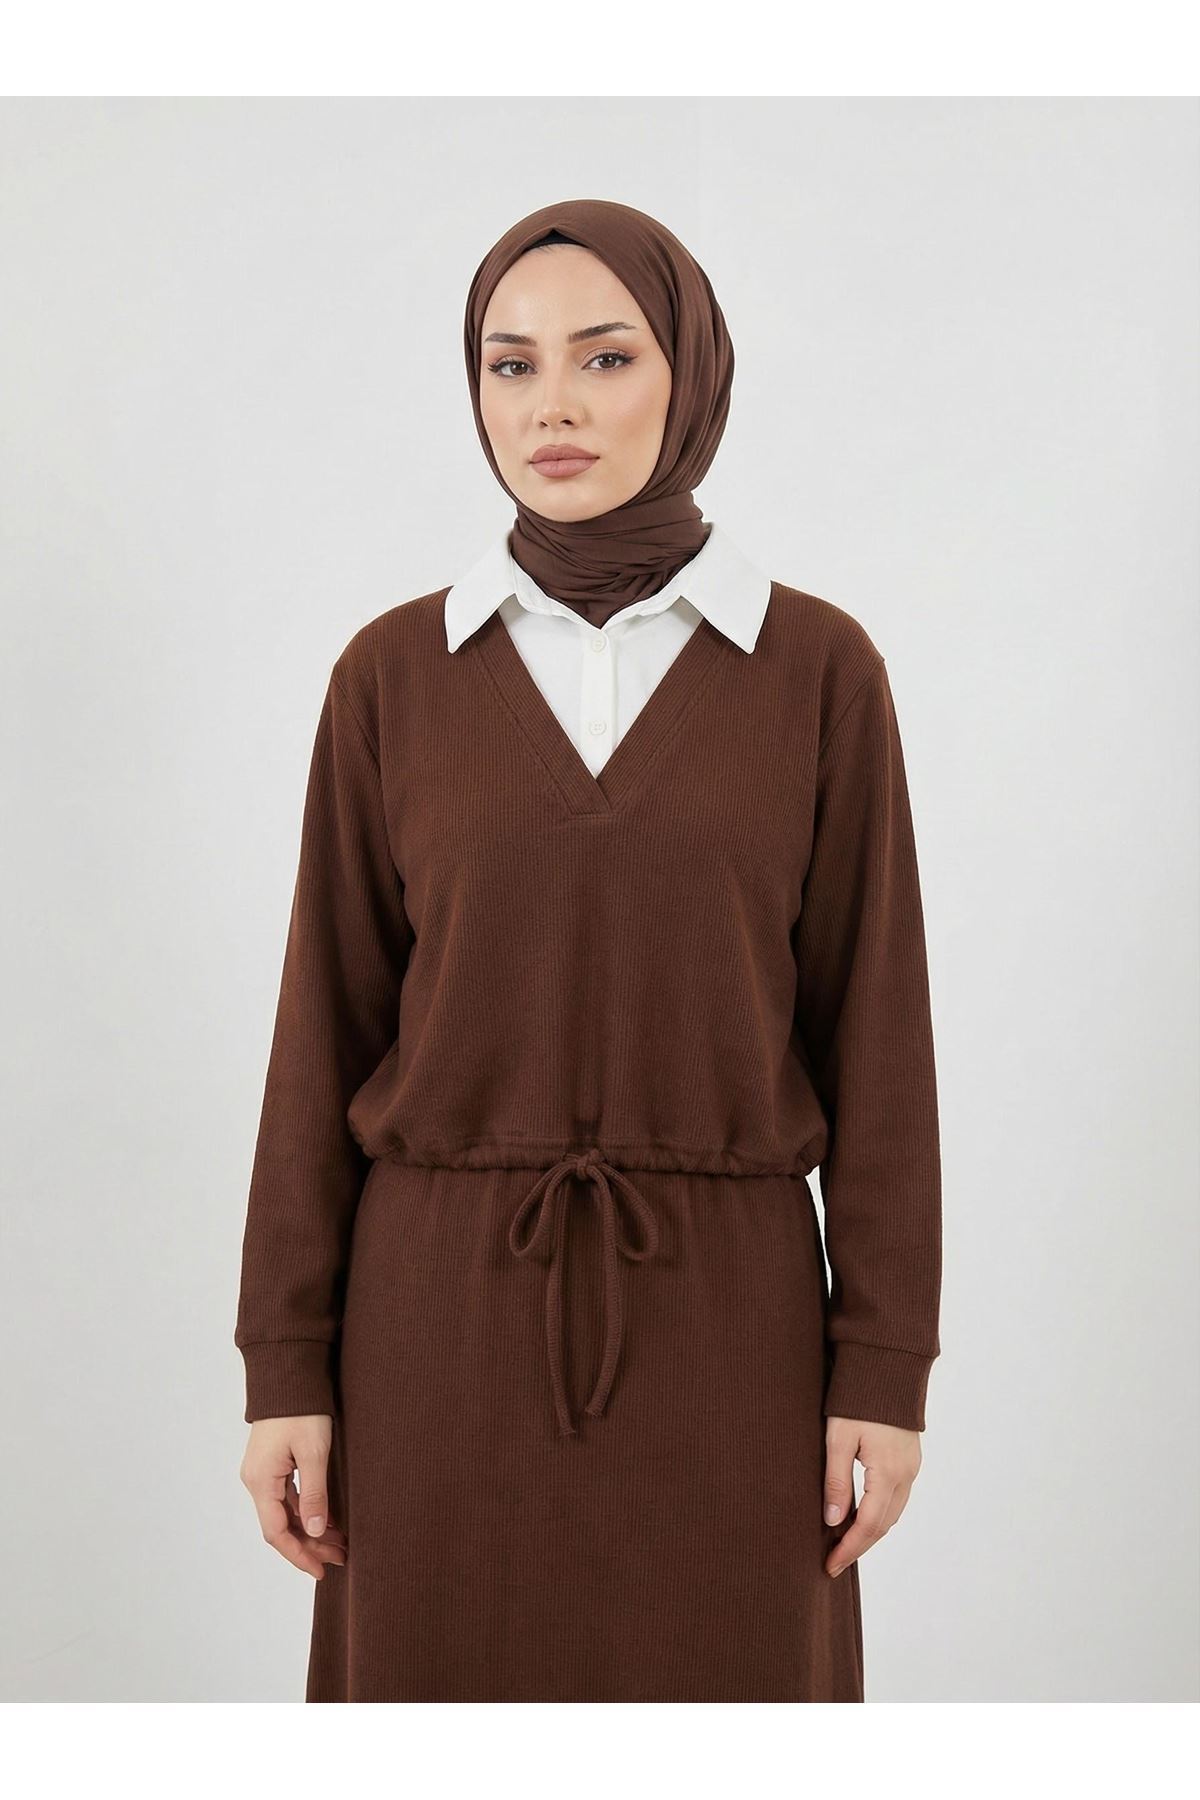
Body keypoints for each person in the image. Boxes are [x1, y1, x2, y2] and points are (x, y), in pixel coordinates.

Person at [233, 197, 942, 1703]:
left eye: (605, 357)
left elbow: (880, 1041)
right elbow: (320, 1035)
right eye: (512, 364)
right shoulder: (394, 677)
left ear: (691, 376)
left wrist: (886, 1368)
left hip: (731, 1327)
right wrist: (283, 1364)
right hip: (437, 1321)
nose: (551, 404)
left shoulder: (816, 671)